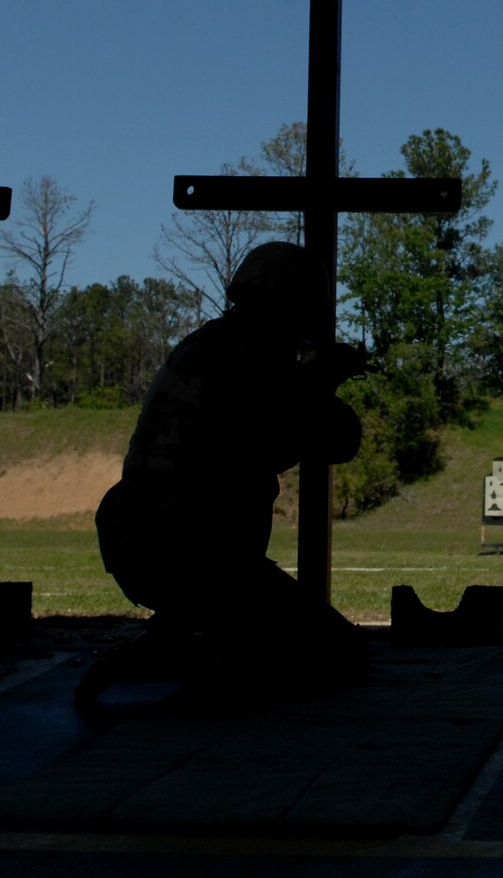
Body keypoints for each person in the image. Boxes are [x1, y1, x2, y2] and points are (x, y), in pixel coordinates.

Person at [83, 242, 368, 705]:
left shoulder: (213, 349)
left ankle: (192, 634)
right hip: (197, 555)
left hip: (155, 545)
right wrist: (320, 384)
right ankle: (195, 650)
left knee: (299, 643)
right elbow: (336, 439)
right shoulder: (249, 362)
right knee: (337, 654)